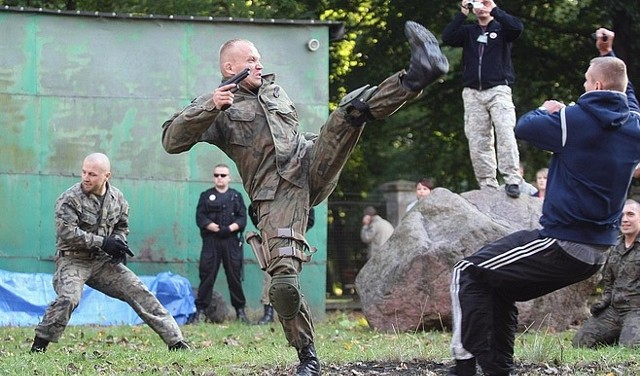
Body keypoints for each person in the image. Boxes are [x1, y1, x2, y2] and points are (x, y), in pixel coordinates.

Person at [161, 20, 448, 376]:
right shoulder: (220, 110)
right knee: (283, 281)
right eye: (252, 59)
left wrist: (326, 141)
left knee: (349, 112)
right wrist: (209, 104)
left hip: (310, 161)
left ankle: (417, 75)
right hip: (276, 195)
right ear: (230, 67)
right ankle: (307, 356)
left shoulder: (273, 92)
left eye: (261, 58)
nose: (260, 64)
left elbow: (292, 138)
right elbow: (171, 140)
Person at [448, 28, 640, 376]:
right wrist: (609, 54)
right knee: (498, 286)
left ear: (595, 87)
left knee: (468, 272)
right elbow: (627, 97)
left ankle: (463, 367)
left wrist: (547, 108)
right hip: (596, 251)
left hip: (563, 242)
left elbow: (524, 126)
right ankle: (496, 368)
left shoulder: (572, 120)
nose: (582, 86)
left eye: (585, 81)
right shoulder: (634, 127)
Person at [30, 153, 189, 353]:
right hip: (73, 260)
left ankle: (176, 342)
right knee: (68, 298)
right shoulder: (69, 199)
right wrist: (103, 242)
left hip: (103, 263)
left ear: (107, 176)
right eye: (84, 172)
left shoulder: (117, 199)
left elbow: (122, 226)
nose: (86, 178)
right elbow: (67, 232)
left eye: (92, 174)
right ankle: (40, 344)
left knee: (140, 291)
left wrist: (118, 244)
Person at [442, 0, 524, 198]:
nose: (480, 7)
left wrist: (494, 8)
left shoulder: (502, 28)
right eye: (476, 3)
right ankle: (487, 183)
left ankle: (512, 179)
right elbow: (448, 36)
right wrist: (462, 12)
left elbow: (517, 28)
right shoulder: (469, 31)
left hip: (498, 89)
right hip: (472, 92)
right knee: (478, 139)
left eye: (482, 2)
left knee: (505, 132)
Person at [572, 199, 640, 348]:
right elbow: (609, 282)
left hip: (637, 311)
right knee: (580, 343)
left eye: (630, 214)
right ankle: (619, 334)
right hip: (614, 310)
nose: (625, 219)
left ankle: (627, 335)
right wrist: (603, 302)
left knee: (630, 347)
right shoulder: (615, 245)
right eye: (621, 215)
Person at [191, 163, 249, 324]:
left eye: (223, 175)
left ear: (229, 178)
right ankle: (200, 312)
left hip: (230, 242)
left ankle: (240, 312)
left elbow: (242, 218)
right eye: (216, 175)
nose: (219, 178)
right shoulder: (206, 196)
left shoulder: (236, 196)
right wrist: (216, 228)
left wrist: (229, 229)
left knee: (234, 277)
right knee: (207, 276)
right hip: (211, 242)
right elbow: (200, 218)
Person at [248, 203, 316, 325]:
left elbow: (310, 217)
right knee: (271, 276)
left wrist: (294, 232)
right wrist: (266, 229)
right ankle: (268, 313)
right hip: (272, 240)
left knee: (290, 277)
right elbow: (253, 209)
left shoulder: (297, 194)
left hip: (292, 241)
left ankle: (294, 316)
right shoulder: (270, 192)